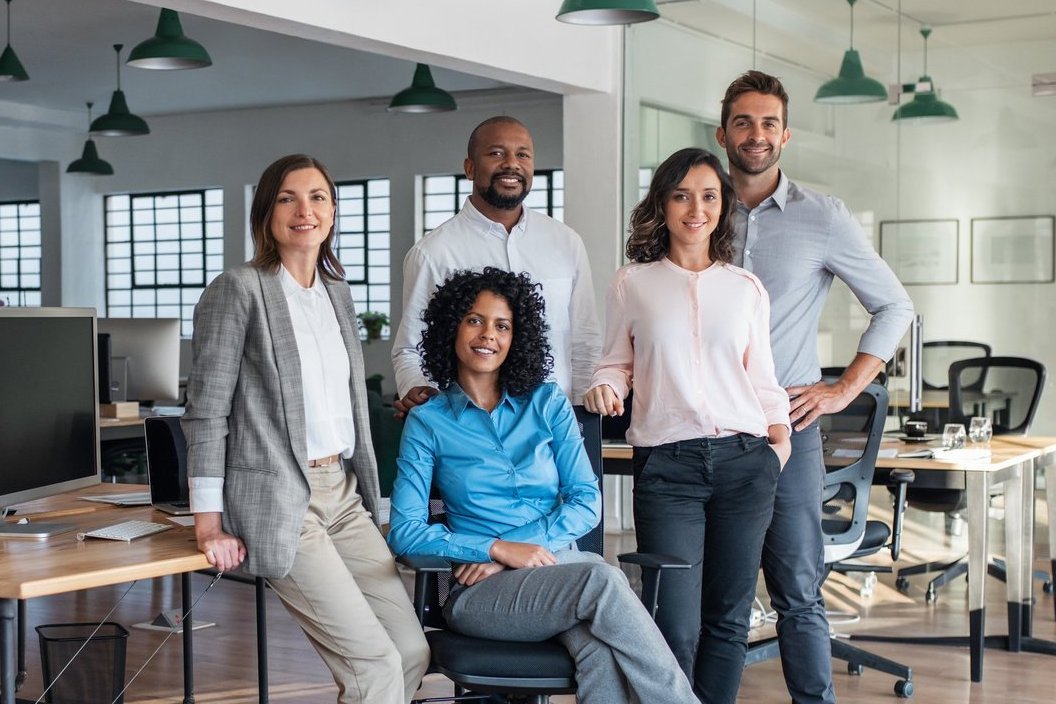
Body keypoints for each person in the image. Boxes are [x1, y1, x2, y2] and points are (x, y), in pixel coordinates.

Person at [181, 154, 430, 704]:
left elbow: (348, 410)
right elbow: (206, 412)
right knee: (373, 666)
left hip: (343, 495)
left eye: (318, 197)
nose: (305, 210)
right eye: (288, 198)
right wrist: (209, 525)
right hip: (279, 499)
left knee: (411, 652)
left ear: (333, 210)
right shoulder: (238, 289)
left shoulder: (337, 294)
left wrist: (376, 502)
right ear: (266, 213)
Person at [387, 267, 697, 704]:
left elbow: (587, 501)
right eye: (474, 320)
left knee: (600, 656)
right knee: (605, 580)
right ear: (451, 327)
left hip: (559, 574)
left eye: (502, 325)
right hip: (480, 594)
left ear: (517, 338)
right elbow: (406, 532)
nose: (487, 335)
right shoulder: (427, 422)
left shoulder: (547, 402)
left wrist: (517, 547)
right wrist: (495, 550)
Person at [715, 70, 914, 704]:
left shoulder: (821, 217)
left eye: (768, 122)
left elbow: (894, 306)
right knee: (718, 593)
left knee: (798, 588)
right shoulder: (696, 208)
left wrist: (842, 389)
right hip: (707, 426)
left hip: (789, 427)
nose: (756, 134)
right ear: (722, 133)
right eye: (743, 121)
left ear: (786, 134)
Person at [584, 147, 791, 704]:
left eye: (708, 196)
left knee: (728, 620)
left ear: (723, 207)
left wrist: (778, 445)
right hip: (668, 468)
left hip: (746, 462)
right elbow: (614, 362)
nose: (694, 208)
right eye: (681, 195)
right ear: (662, 205)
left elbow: (764, 379)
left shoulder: (745, 288)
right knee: (675, 623)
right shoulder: (633, 283)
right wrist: (607, 386)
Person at [391, 115, 601, 414]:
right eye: (496, 153)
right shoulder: (434, 253)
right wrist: (425, 401)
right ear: (470, 168)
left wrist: (583, 419)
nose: (511, 164)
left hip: (555, 425)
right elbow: (411, 348)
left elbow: (585, 340)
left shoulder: (566, 243)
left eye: (522, 155)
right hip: (468, 426)